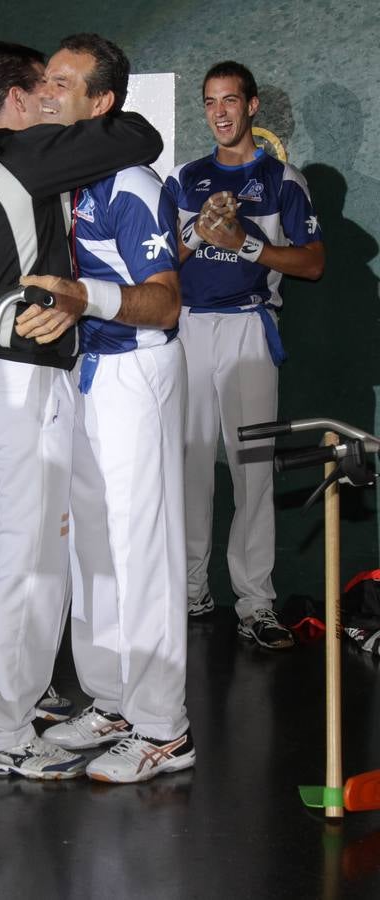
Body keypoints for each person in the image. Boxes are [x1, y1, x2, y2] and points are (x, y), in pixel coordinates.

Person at [0, 40, 163, 779]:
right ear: (23, 101)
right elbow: (141, 135)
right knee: (28, 564)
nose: (57, 101)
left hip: (3, 375)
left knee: (32, 556)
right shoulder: (20, 154)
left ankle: (14, 704)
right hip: (22, 378)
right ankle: (2, 730)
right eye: (47, 90)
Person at [14, 34, 193, 783]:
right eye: (45, 80)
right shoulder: (68, 180)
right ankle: (115, 701)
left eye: (63, 81)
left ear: (102, 103)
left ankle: (165, 730)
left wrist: (88, 297)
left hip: (136, 373)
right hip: (89, 371)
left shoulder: (133, 185)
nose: (47, 90)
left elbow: (166, 300)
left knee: (142, 552)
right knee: (93, 548)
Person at [165, 63, 324, 649]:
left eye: (231, 100)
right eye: (211, 103)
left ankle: (256, 602)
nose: (221, 112)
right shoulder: (185, 179)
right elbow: (157, 262)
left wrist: (246, 243)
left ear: (253, 106)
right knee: (188, 466)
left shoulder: (284, 179)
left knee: (253, 471)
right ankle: (190, 589)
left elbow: (312, 264)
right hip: (188, 331)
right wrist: (197, 234)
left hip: (250, 330)